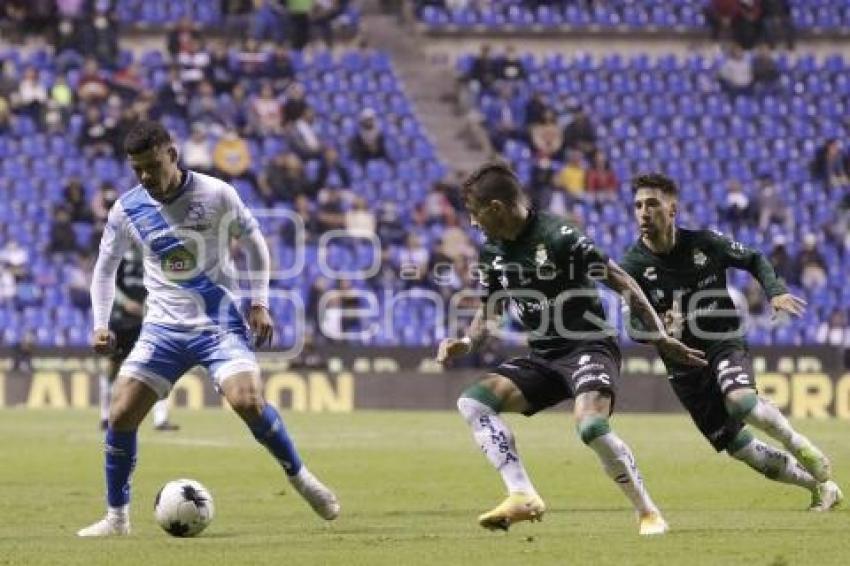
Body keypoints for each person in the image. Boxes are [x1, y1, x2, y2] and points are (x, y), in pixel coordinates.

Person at [77, 121, 339, 537]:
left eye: (152, 166)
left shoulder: (216, 194)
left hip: (218, 321)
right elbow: (103, 270)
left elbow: (255, 243)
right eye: (137, 169)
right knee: (120, 414)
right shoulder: (128, 209)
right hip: (162, 327)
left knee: (248, 401)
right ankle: (117, 518)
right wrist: (100, 324)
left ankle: (300, 478)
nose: (145, 177)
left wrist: (259, 302)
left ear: (173, 156)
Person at [437, 162, 707, 535]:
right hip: (545, 357)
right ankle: (522, 494)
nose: (474, 223)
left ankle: (648, 512)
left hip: (590, 347)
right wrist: (467, 342)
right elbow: (491, 308)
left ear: (496, 208)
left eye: (475, 213)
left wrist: (658, 335)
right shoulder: (493, 252)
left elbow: (621, 279)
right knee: (473, 403)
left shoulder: (560, 236)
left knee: (590, 425)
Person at [620, 173, 842, 512]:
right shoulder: (631, 266)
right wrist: (658, 333)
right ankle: (820, 487)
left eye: (652, 204)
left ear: (673, 209)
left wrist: (776, 290)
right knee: (740, 448)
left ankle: (799, 444)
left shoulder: (705, 243)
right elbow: (632, 324)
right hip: (683, 367)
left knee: (740, 400)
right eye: (637, 206)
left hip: (721, 339)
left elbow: (753, 258)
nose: (643, 213)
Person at [97, 245, 179, 432]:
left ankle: (161, 419)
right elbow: (107, 281)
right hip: (120, 320)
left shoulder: (152, 259)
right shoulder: (120, 258)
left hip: (147, 321)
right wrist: (124, 302)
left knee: (157, 366)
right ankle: (104, 416)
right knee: (112, 368)